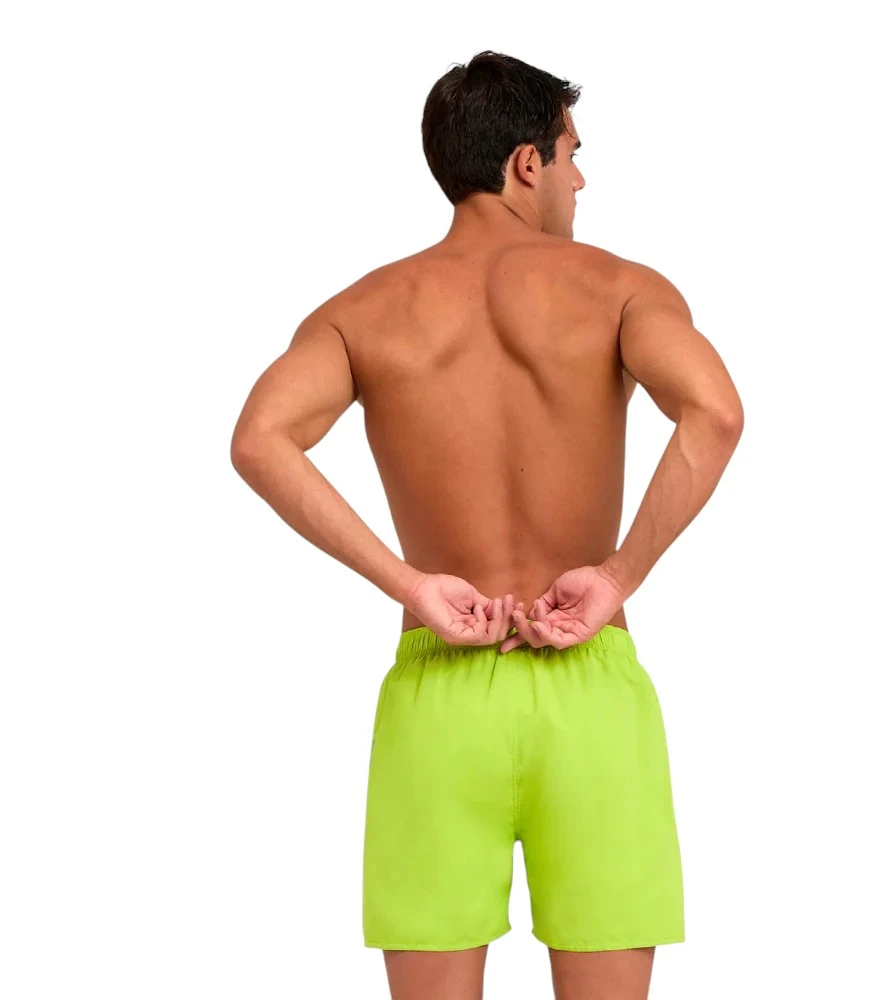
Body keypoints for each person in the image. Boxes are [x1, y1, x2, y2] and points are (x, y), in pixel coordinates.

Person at [230, 48, 743, 1000]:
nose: (580, 181)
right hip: (588, 684)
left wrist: (409, 584)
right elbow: (715, 412)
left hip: (440, 691)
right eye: (573, 155)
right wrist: (617, 577)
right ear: (525, 163)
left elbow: (261, 439)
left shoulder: (362, 311)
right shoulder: (621, 288)